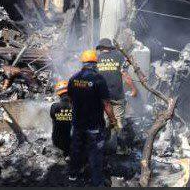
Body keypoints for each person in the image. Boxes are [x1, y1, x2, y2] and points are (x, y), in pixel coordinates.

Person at [67, 49, 118, 187]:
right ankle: (97, 182)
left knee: (76, 149)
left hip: (78, 124)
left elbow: (70, 100)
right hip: (94, 125)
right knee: (95, 153)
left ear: (83, 63)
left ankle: (73, 175)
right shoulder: (99, 79)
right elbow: (106, 103)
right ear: (95, 63)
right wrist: (113, 120)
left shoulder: (73, 78)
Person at [96, 38, 137, 134]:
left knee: (106, 122)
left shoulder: (96, 58)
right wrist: (133, 89)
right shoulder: (118, 56)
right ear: (110, 47)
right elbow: (125, 74)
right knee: (119, 123)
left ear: (101, 48)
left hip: (103, 97)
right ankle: (118, 140)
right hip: (117, 95)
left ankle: (106, 143)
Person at [50, 80, 73, 156]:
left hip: (57, 142)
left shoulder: (54, 106)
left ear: (58, 94)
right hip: (72, 142)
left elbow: (53, 117)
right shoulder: (76, 106)